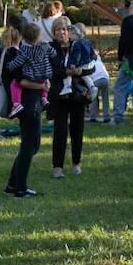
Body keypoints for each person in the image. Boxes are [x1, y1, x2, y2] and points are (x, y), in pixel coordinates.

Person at [5, 23, 51, 197]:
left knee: (31, 145)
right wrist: (42, 85)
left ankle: (13, 184)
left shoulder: (24, 52)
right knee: (30, 145)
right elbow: (22, 81)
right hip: (28, 103)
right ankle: (20, 187)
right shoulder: (20, 54)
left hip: (32, 101)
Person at [49, 18, 86, 178]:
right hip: (59, 94)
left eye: (64, 29)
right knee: (60, 130)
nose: (61, 32)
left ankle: (76, 163)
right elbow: (51, 71)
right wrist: (67, 71)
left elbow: (90, 66)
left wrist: (81, 71)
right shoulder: (50, 48)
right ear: (54, 32)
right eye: (58, 30)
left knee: (77, 129)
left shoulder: (78, 46)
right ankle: (57, 167)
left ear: (69, 31)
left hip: (77, 93)